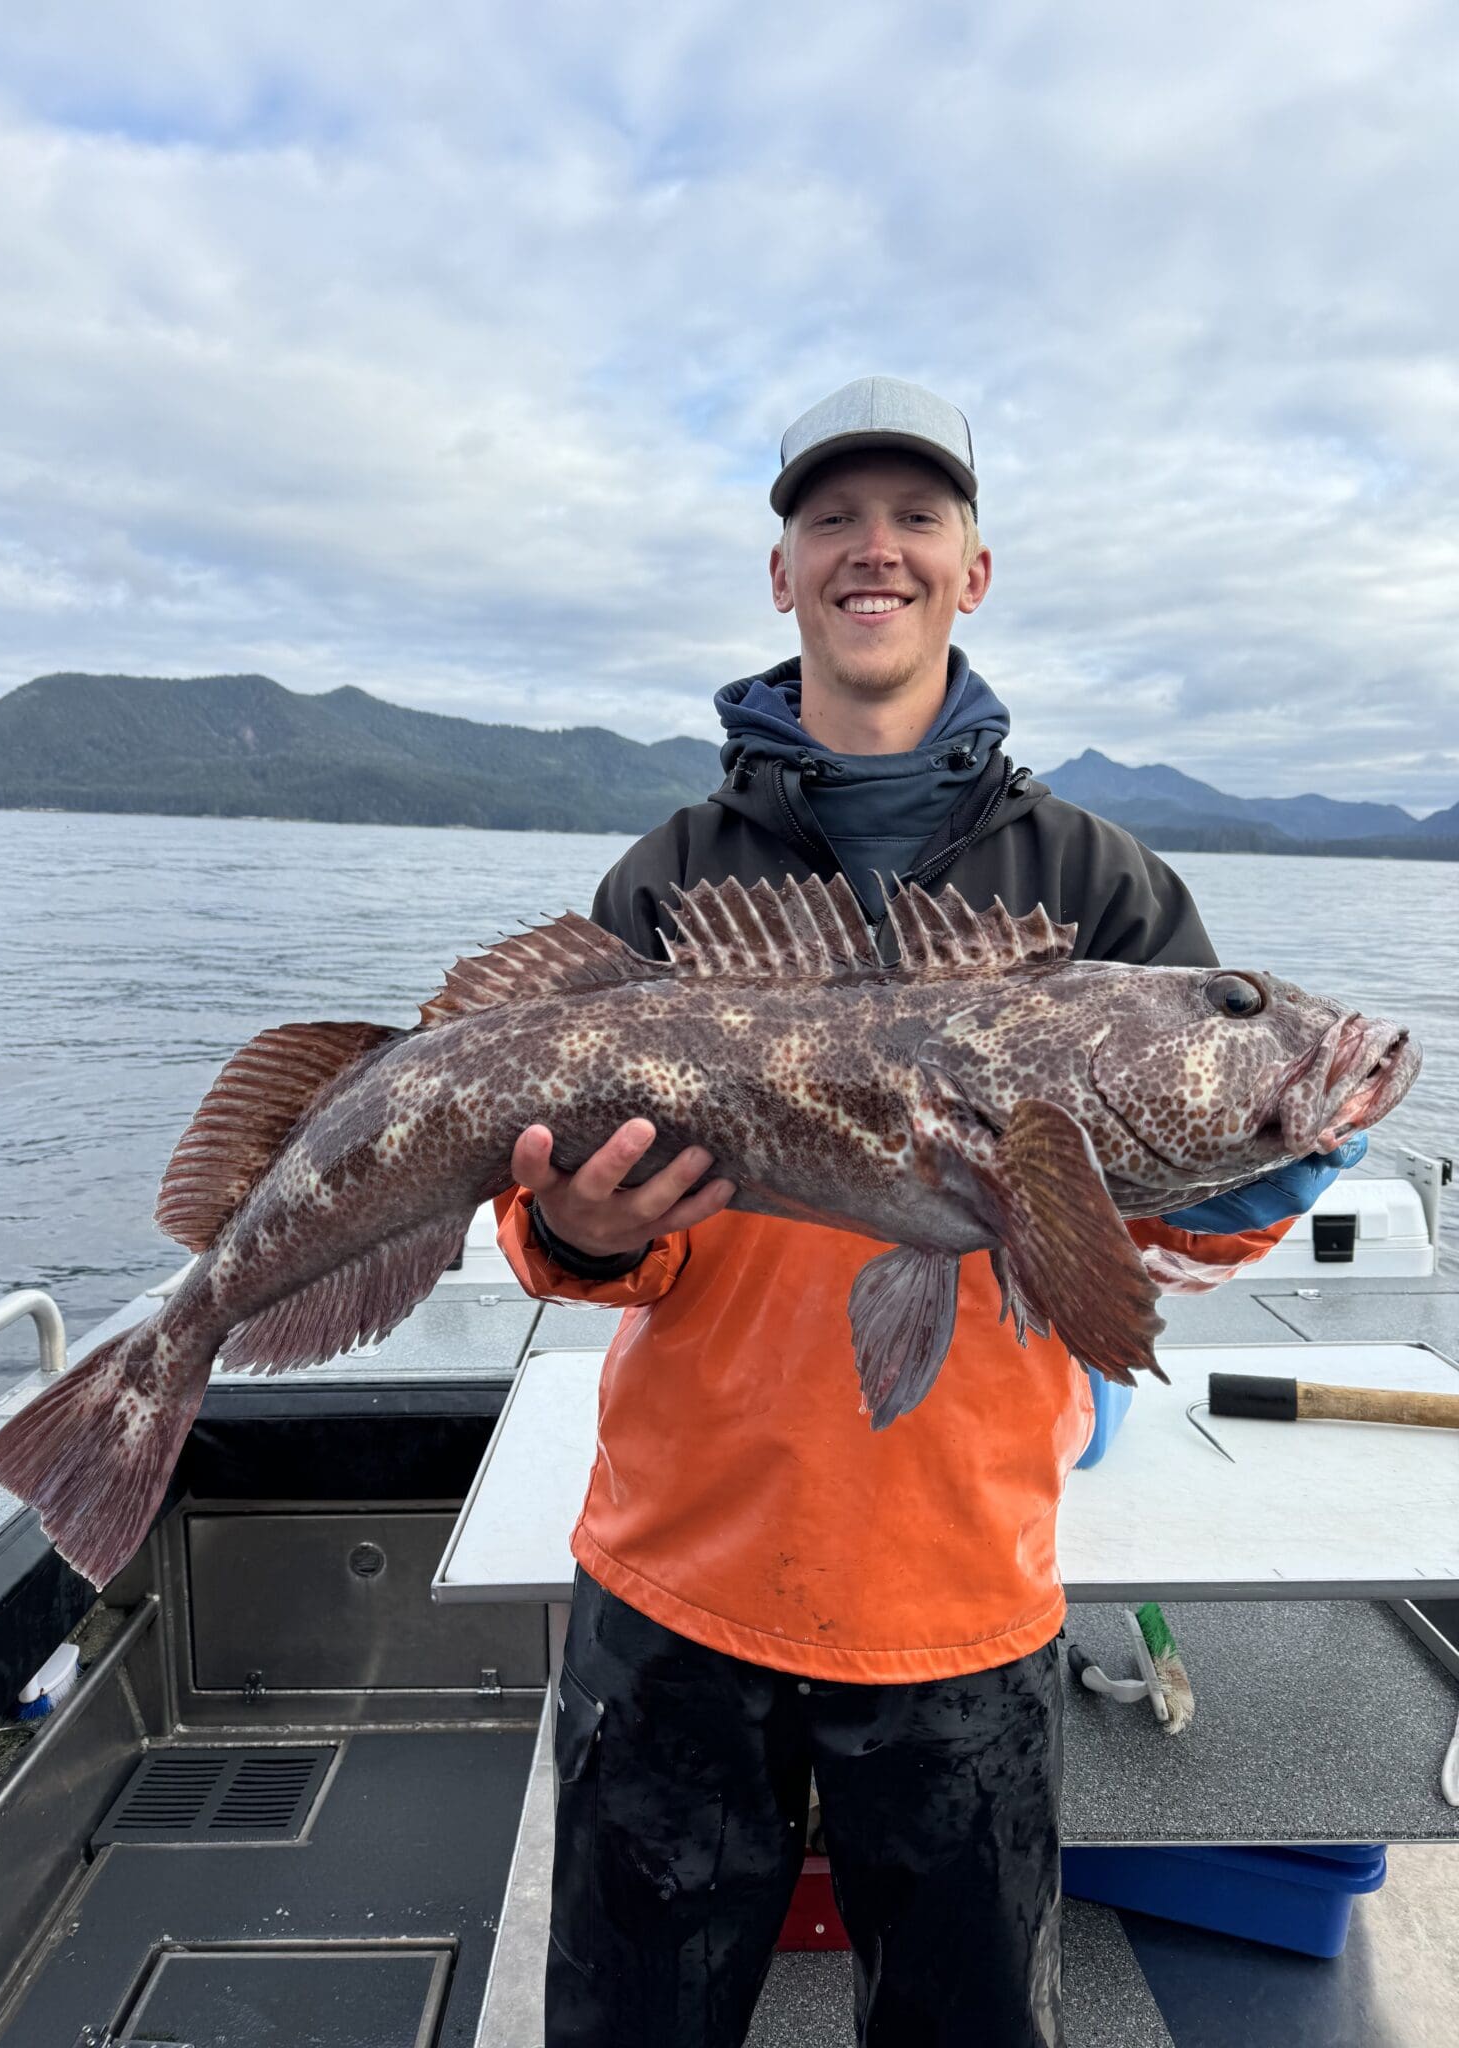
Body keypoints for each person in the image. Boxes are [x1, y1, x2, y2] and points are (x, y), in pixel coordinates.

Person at [495, 376, 1360, 2047]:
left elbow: (1173, 1231)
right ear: (783, 573)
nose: (872, 548)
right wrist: (586, 1234)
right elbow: (565, 1231)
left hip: (961, 1592)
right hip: (676, 1585)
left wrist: (1251, 1172)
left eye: (915, 517)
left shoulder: (1100, 886)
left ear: (975, 567)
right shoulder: (668, 876)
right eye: (832, 518)